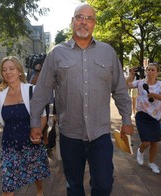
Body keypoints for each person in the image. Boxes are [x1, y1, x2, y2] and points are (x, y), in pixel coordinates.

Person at [29, 3, 134, 196]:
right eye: (79, 17)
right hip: (70, 134)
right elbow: (42, 90)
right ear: (72, 21)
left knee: (103, 185)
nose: (84, 22)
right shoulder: (56, 53)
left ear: (94, 24)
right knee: (74, 186)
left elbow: (119, 89)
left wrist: (126, 119)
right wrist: (36, 122)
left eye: (89, 18)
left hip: (100, 133)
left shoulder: (108, 52)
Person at [0, 56, 50, 196]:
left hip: (30, 142)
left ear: (20, 71)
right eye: (4, 70)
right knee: (7, 184)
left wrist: (37, 133)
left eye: (11, 68)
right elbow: (3, 122)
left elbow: (42, 115)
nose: (8, 72)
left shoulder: (32, 90)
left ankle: (39, 191)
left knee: (36, 172)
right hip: (9, 145)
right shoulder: (0, 96)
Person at [127, 63, 161, 174]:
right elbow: (126, 86)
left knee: (154, 142)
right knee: (146, 142)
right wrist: (131, 76)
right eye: (148, 69)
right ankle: (140, 150)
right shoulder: (140, 83)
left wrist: (154, 95)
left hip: (155, 117)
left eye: (153, 70)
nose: (150, 72)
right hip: (142, 115)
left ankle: (151, 162)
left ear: (157, 72)